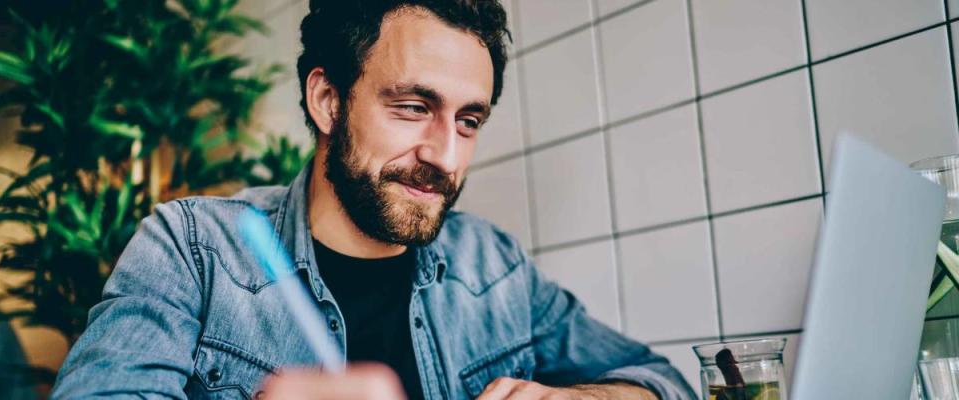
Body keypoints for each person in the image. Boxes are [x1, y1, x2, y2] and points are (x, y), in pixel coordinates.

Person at [52, 1, 696, 399]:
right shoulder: (192, 250)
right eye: (414, 108)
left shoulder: (492, 266)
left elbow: (663, 383)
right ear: (327, 100)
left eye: (468, 121)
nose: (445, 154)